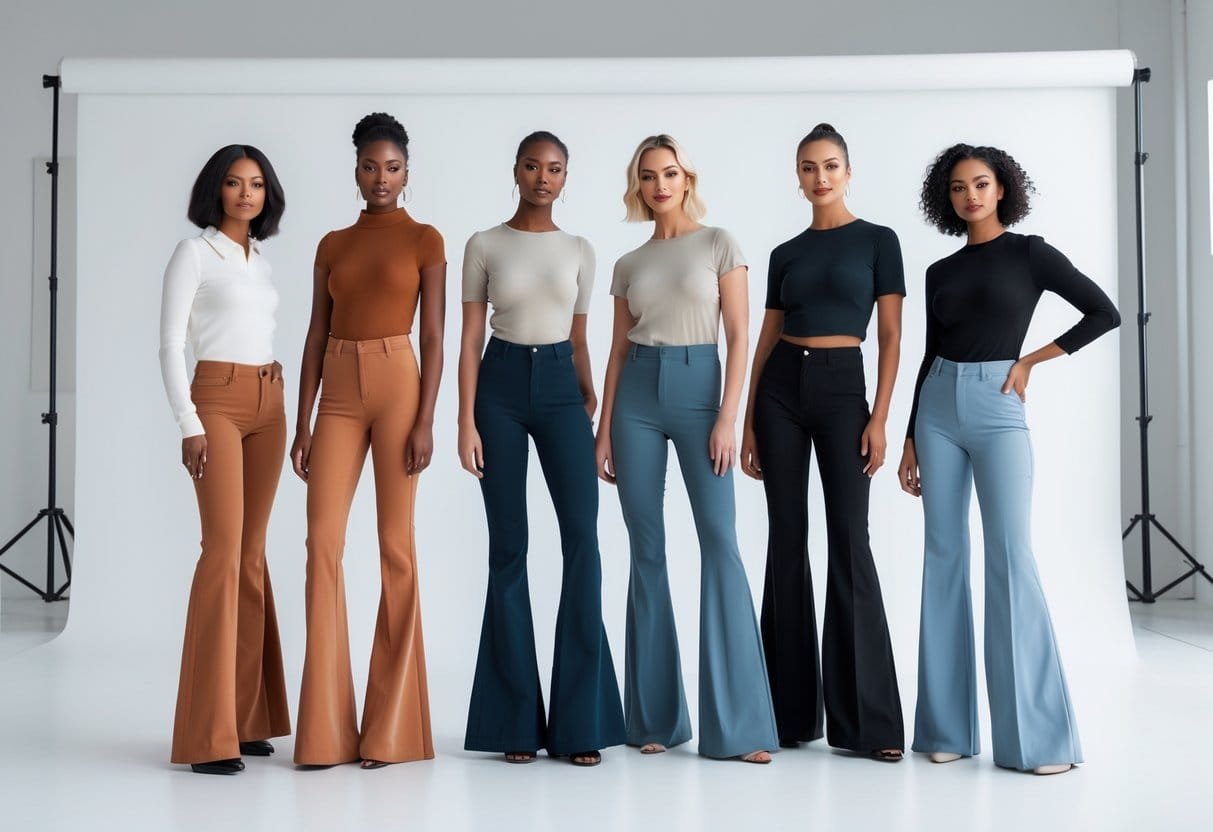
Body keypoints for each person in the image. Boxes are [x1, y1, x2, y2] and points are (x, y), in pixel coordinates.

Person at [897, 143, 1120, 775]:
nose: (970, 195)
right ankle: (945, 729)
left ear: (1002, 190)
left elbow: (1103, 313)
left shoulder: (1030, 254)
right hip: (937, 407)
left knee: (1010, 557)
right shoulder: (939, 271)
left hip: (998, 405)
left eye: (981, 184)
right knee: (942, 557)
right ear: (946, 198)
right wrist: (910, 435)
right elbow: (928, 352)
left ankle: (1037, 742)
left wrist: (1030, 361)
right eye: (958, 187)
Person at [596, 133, 778, 764]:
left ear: (687, 178)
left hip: (703, 393)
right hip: (636, 400)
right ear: (638, 185)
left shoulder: (720, 243)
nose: (660, 185)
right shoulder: (628, 263)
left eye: (670, 173)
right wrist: (604, 430)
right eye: (648, 176)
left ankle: (740, 728)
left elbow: (739, 335)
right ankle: (655, 718)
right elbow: (616, 350)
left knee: (720, 542)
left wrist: (729, 417)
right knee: (647, 549)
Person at [459, 131, 626, 767]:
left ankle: (581, 724)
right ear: (517, 170)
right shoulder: (484, 244)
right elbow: (469, 338)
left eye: (554, 168)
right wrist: (465, 421)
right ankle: (514, 724)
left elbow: (580, 337)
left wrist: (588, 396)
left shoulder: (580, 249)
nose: (542, 178)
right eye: (532, 166)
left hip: (560, 387)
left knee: (582, 538)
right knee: (509, 547)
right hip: (498, 387)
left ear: (565, 177)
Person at [740, 123, 905, 761]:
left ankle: (868, 726)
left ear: (848, 171)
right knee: (786, 540)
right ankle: (786, 717)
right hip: (780, 390)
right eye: (809, 167)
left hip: (843, 390)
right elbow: (766, 335)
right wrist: (749, 419)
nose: (820, 177)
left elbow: (889, 335)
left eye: (831, 165)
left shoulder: (878, 241)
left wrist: (879, 417)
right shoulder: (785, 253)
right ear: (798, 175)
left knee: (849, 540)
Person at [291, 112, 446, 769]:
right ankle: (324, 732)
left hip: (397, 385)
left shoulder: (425, 239)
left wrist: (426, 419)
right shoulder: (332, 244)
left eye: (392, 167)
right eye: (369, 166)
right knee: (322, 542)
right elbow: (314, 333)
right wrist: (301, 421)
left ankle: (392, 731)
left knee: (394, 545)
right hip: (337, 389)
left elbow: (434, 335)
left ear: (407, 173)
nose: (380, 178)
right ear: (354, 171)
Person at [160, 144, 291, 775]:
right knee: (222, 551)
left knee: (251, 555)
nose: (246, 194)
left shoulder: (259, 261)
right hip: (215, 400)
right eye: (235, 183)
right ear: (216, 189)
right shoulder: (193, 253)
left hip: (270, 402)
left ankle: (244, 718)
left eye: (257, 184)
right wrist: (188, 422)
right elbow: (169, 344)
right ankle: (206, 737)